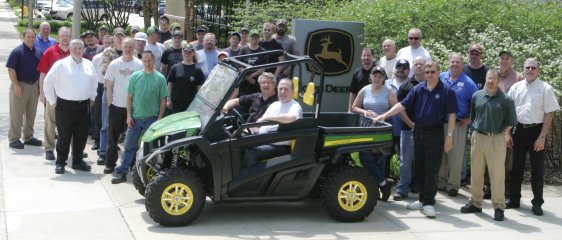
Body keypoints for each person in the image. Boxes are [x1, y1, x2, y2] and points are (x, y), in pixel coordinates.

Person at [375, 62, 458, 218]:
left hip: (435, 133)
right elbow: (402, 105)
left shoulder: (446, 90)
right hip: (418, 131)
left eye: (432, 71)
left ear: (439, 72)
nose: (429, 74)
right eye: (427, 72)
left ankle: (428, 202)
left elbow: (452, 115)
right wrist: (384, 116)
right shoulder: (418, 88)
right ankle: (421, 199)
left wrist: (449, 137)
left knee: (432, 169)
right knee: (419, 168)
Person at [460, 69, 517, 222]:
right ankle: (476, 203)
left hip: (496, 139)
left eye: (494, 79)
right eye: (488, 79)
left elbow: (511, 122)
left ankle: (498, 207)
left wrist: (504, 133)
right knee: (476, 172)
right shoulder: (476, 96)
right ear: (485, 79)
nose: (490, 81)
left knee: (497, 174)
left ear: (499, 81)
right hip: (478, 136)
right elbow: (473, 115)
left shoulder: (506, 100)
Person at [506, 58, 559, 216]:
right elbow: (509, 111)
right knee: (516, 168)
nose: (530, 70)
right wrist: (507, 133)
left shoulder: (545, 88)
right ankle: (514, 199)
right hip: (518, 131)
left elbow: (550, 113)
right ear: (523, 69)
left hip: (536, 132)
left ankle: (537, 203)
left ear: (538, 70)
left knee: (537, 171)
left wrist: (542, 137)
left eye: (533, 67)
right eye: (527, 67)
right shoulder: (516, 87)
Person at [111, 51, 168, 184]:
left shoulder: (160, 78)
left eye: (149, 61)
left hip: (151, 119)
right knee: (129, 146)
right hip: (135, 118)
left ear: (153, 60)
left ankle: (150, 175)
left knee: (151, 149)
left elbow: (163, 100)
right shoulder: (135, 76)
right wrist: (128, 116)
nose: (147, 63)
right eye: (145, 61)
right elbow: (129, 97)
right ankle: (122, 171)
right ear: (142, 61)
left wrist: (159, 119)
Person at [43, 39, 98, 174]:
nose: (78, 51)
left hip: (83, 106)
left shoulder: (88, 64)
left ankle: (77, 161)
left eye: (80, 48)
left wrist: (92, 97)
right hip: (65, 106)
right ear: (70, 50)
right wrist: (52, 101)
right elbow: (47, 82)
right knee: (64, 135)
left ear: (83, 49)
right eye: (75, 49)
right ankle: (61, 162)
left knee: (81, 135)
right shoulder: (61, 64)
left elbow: (94, 82)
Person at [482, 50, 525, 199]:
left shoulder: (518, 77)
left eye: (507, 59)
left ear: (512, 61)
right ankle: (488, 187)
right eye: (502, 58)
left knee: (506, 160)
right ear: (499, 60)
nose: (504, 61)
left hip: (509, 125)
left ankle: (505, 190)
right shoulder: (492, 75)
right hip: (492, 123)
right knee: (489, 157)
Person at [352, 66, 397, 201]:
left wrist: (383, 116)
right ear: (370, 77)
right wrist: (365, 112)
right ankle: (383, 183)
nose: (377, 79)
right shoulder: (364, 90)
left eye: (380, 76)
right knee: (365, 157)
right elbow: (354, 107)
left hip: (383, 129)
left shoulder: (388, 91)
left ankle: (377, 191)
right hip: (367, 128)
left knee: (380, 160)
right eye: (375, 76)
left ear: (384, 78)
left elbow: (396, 108)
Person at [438, 53, 478, 197]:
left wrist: (470, 119)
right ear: (448, 63)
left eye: (458, 63)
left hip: (458, 125)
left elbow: (477, 103)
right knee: (441, 155)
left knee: (455, 156)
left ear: (462, 65)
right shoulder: (441, 77)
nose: (454, 64)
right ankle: (441, 183)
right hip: (439, 123)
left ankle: (453, 185)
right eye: (452, 62)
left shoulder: (468, 83)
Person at [103, 38, 144, 174]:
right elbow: (109, 86)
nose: (127, 48)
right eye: (125, 46)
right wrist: (110, 104)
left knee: (132, 140)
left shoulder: (139, 64)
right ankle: (110, 163)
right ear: (121, 46)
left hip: (133, 109)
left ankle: (131, 165)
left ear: (134, 48)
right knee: (113, 138)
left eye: (130, 46)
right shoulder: (115, 64)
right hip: (116, 106)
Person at [243, 78, 302, 167]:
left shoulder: (294, 106)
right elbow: (261, 127)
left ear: (292, 91)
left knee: (251, 153)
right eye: (280, 89)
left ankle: (249, 180)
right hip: (265, 140)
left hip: (280, 146)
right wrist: (247, 129)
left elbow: (292, 118)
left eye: (286, 89)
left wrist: (268, 118)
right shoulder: (274, 105)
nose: (282, 92)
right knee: (239, 147)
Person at [393, 56, 426, 201]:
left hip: (428, 131)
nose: (419, 66)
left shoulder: (433, 84)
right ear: (413, 66)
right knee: (405, 161)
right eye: (416, 64)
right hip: (408, 129)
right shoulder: (406, 86)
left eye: (421, 64)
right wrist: (410, 123)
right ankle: (402, 189)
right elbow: (399, 108)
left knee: (424, 162)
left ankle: (422, 190)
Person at [37, 27, 71, 161]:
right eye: (63, 35)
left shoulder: (75, 52)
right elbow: (43, 74)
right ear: (58, 37)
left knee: (69, 123)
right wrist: (42, 92)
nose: (65, 38)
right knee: (50, 122)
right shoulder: (50, 52)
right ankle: (49, 148)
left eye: (67, 36)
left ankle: (71, 150)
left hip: (69, 96)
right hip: (52, 94)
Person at [7, 29, 43, 149]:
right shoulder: (17, 52)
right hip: (20, 85)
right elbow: (11, 69)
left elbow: (41, 71)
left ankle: (28, 137)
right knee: (17, 114)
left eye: (33, 37)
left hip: (34, 86)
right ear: (23, 37)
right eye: (28, 37)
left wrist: (39, 87)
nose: (31, 39)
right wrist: (16, 85)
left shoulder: (38, 52)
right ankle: (14, 138)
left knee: (31, 114)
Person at [385, 59, 409, 179]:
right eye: (399, 66)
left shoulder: (412, 84)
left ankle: (406, 182)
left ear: (408, 71)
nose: (401, 69)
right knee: (385, 156)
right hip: (388, 126)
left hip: (404, 127)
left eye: (404, 67)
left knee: (405, 157)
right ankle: (384, 180)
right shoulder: (385, 84)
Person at [91, 35, 113, 164]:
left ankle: (109, 143)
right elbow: (93, 75)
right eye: (106, 42)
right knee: (98, 116)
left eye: (110, 42)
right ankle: (98, 141)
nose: (108, 44)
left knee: (108, 119)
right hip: (99, 87)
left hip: (111, 88)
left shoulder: (114, 57)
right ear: (102, 42)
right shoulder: (96, 58)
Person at [166, 43, 205, 113]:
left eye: (189, 52)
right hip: (176, 104)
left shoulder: (197, 70)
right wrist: (168, 99)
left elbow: (200, 89)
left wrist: (200, 103)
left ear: (193, 53)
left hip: (191, 105)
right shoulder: (175, 67)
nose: (187, 54)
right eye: (185, 52)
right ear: (182, 52)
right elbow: (170, 85)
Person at [236, 29, 267, 98]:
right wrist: (247, 77)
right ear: (249, 38)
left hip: (257, 81)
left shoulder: (263, 51)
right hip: (244, 80)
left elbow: (263, 68)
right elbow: (239, 65)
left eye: (256, 37)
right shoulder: (243, 49)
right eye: (252, 36)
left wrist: (252, 76)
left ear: (259, 38)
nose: (254, 38)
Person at [348, 48, 375, 112]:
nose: (366, 57)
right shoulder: (357, 73)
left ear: (373, 57)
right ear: (361, 57)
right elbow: (353, 92)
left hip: (375, 110)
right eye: (364, 55)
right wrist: (350, 109)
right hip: (359, 110)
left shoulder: (379, 72)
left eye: (368, 55)